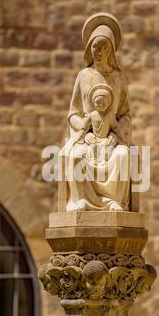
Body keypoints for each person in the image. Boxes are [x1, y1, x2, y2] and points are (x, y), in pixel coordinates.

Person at [61, 13, 132, 212]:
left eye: (104, 48)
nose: (99, 53)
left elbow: (125, 114)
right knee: (76, 155)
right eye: (95, 48)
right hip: (87, 138)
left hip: (112, 139)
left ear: (111, 50)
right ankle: (81, 200)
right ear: (89, 49)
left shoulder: (118, 78)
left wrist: (115, 136)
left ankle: (114, 201)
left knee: (123, 156)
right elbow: (73, 113)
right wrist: (84, 130)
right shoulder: (83, 77)